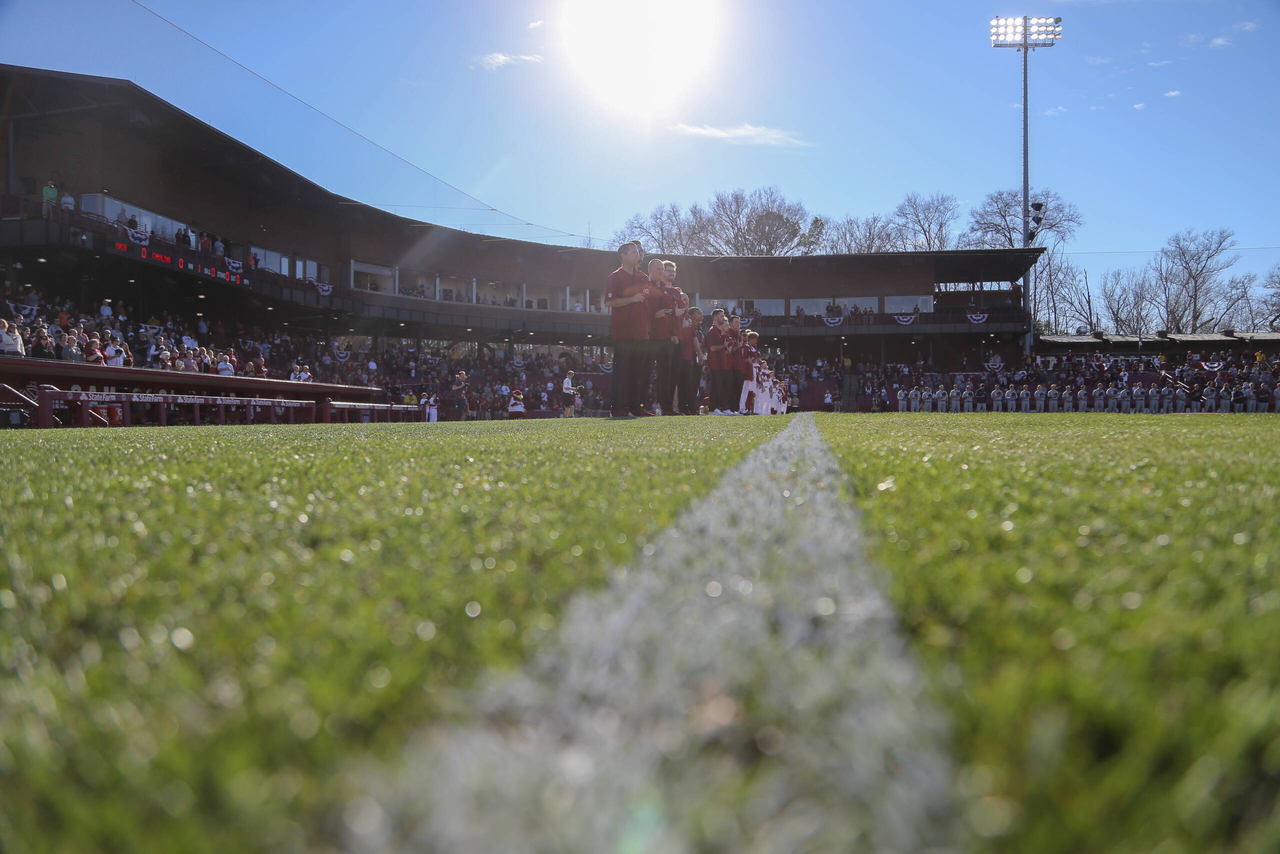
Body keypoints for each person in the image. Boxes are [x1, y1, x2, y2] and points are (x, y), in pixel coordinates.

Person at [603, 241, 655, 418]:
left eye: (638, 252)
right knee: (622, 371)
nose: (637, 254)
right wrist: (632, 299)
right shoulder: (615, 277)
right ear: (623, 256)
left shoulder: (643, 278)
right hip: (624, 331)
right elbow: (609, 302)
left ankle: (636, 406)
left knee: (638, 372)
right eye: (633, 252)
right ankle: (618, 408)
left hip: (642, 331)